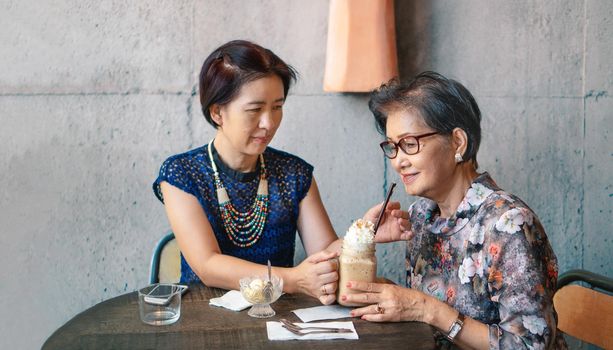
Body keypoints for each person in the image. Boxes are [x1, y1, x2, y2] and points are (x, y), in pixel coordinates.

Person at [342, 72, 568, 349]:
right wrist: (363, 241)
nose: (398, 161)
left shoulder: (507, 224)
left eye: (410, 144)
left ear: (458, 142)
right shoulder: (422, 215)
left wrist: (426, 308)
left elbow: (529, 345)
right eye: (393, 147)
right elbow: (422, 309)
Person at [153, 40, 341, 304]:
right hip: (203, 322)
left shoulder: (294, 173)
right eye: (255, 109)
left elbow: (325, 257)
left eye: (277, 107)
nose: (269, 123)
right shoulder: (182, 173)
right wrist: (293, 279)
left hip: (278, 320)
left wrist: (365, 235)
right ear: (217, 112)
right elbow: (208, 266)